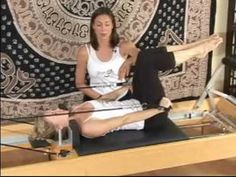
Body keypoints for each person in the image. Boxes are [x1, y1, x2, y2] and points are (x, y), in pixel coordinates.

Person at [43, 32, 223, 139]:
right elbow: (125, 120)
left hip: (135, 99)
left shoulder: (77, 109)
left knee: (144, 57)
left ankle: (195, 48)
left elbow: (105, 100)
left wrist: (121, 90)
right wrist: (160, 109)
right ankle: (197, 50)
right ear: (59, 128)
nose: (54, 110)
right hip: (149, 115)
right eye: (52, 115)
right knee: (148, 62)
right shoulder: (87, 127)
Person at [75, 7, 139, 101]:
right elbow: (80, 83)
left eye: (107, 24)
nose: (103, 29)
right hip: (96, 96)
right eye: (99, 25)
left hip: (121, 95)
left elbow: (146, 58)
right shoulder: (85, 51)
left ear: (113, 25)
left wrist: (129, 61)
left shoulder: (124, 46)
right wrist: (101, 98)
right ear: (93, 26)